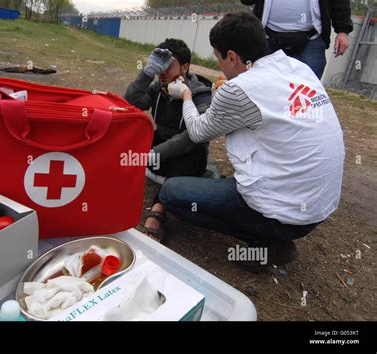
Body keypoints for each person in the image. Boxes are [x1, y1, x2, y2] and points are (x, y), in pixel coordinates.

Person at [163, 12, 345, 271]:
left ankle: (265, 244)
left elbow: (196, 131)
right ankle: (272, 232)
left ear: (233, 57)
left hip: (288, 213)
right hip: (318, 205)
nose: (219, 63)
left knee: (172, 193)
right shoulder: (297, 68)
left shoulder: (238, 89)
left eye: (217, 57)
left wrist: (186, 95)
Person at [124, 39, 212, 242]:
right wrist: (146, 73)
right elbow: (131, 104)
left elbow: (194, 136)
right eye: (160, 64)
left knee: (195, 150)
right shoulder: (158, 87)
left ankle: (158, 209)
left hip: (184, 156)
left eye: (168, 65)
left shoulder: (201, 94)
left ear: (185, 67)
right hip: (159, 151)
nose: (162, 71)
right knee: (133, 134)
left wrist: (154, 154)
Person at [240, 0, 353, 78]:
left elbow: (340, 2)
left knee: (308, 92)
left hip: (311, 40)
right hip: (267, 37)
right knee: (261, 87)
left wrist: (343, 30)